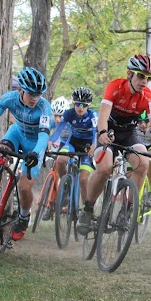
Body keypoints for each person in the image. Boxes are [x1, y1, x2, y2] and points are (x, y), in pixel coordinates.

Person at [77, 54, 151, 233]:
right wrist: (102, 133)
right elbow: (103, 115)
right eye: (141, 76)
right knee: (104, 169)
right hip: (109, 130)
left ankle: (126, 211)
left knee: (143, 163)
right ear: (129, 74)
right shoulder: (114, 87)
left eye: (148, 78)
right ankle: (87, 208)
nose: (145, 81)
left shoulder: (149, 97)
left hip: (129, 132)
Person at [0, 66, 51, 241]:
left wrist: (35, 153)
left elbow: (44, 135)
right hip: (17, 133)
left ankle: (24, 216)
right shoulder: (9, 98)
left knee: (24, 186)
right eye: (31, 94)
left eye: (38, 94)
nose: (35, 98)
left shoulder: (44, 107)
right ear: (20, 89)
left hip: (35, 142)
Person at [47, 87, 98, 222]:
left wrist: (94, 146)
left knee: (83, 179)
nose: (80, 108)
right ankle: (66, 184)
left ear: (89, 105)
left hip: (87, 147)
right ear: (73, 103)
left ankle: (87, 209)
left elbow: (95, 133)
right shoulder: (69, 113)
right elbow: (58, 130)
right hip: (73, 143)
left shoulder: (93, 116)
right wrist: (51, 141)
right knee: (61, 160)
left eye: (84, 105)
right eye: (77, 104)